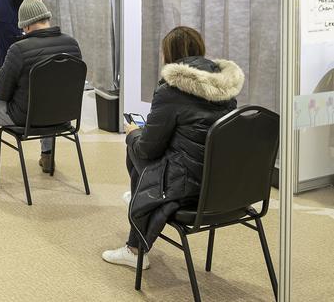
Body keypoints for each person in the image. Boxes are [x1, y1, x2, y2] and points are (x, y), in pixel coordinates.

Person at [101, 26, 244, 271]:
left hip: (187, 186)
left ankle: (135, 247)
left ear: (169, 55)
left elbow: (147, 150)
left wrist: (133, 133)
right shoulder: (225, 88)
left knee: (134, 144)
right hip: (223, 184)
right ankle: (141, 198)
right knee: (147, 145)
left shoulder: (171, 90)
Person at [0, 0, 81, 187]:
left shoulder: (19, 49)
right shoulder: (72, 44)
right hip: (63, 115)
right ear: (46, 18)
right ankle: (47, 157)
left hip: (25, 118)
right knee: (50, 97)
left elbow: (0, 94)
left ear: (26, 27)